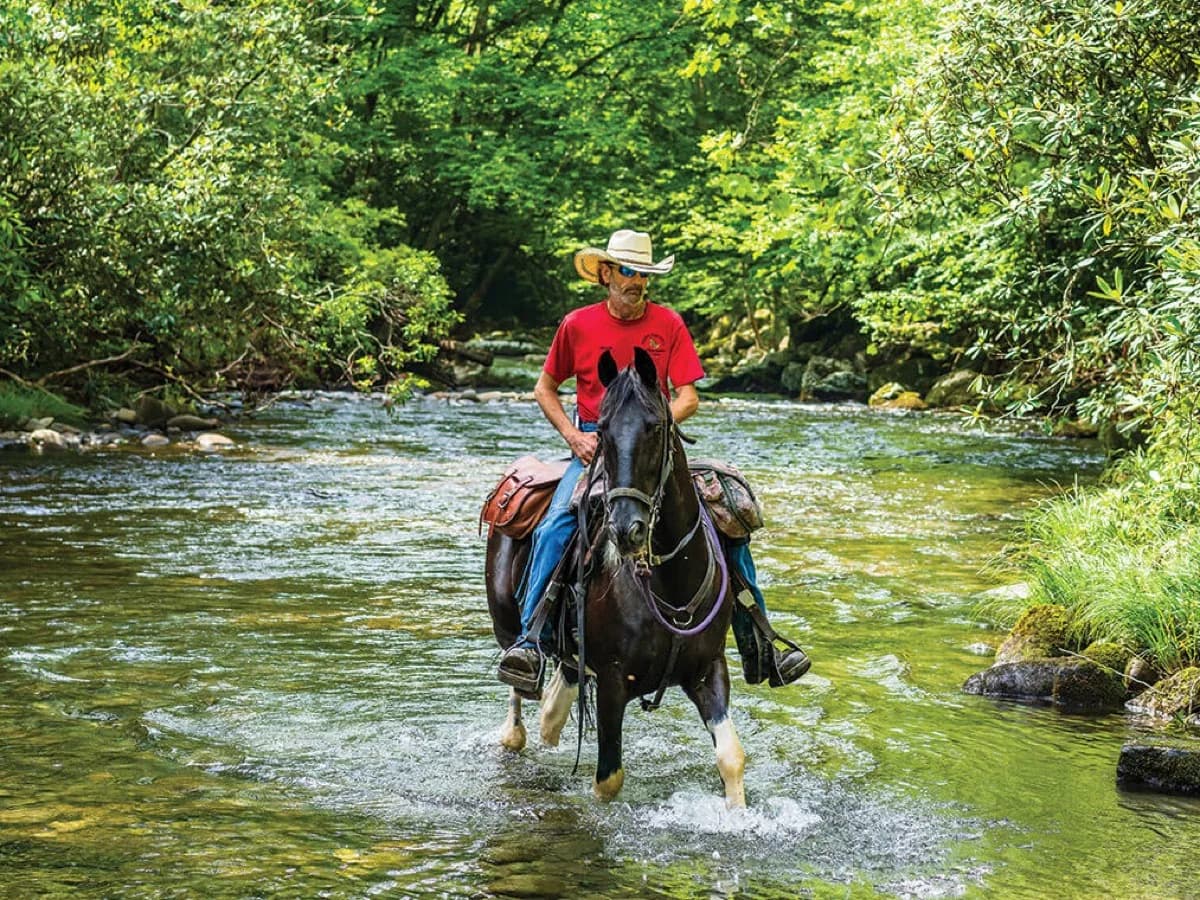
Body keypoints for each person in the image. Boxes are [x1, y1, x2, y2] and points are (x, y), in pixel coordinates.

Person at [497, 229, 810, 694]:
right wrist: (574, 437)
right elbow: (545, 390)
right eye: (628, 271)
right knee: (555, 526)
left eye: (643, 273)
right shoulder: (577, 325)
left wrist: (654, 424)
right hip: (596, 444)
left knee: (728, 517)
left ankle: (760, 642)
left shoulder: (669, 324)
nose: (636, 281)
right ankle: (531, 642)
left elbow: (688, 397)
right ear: (606, 274)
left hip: (658, 446)